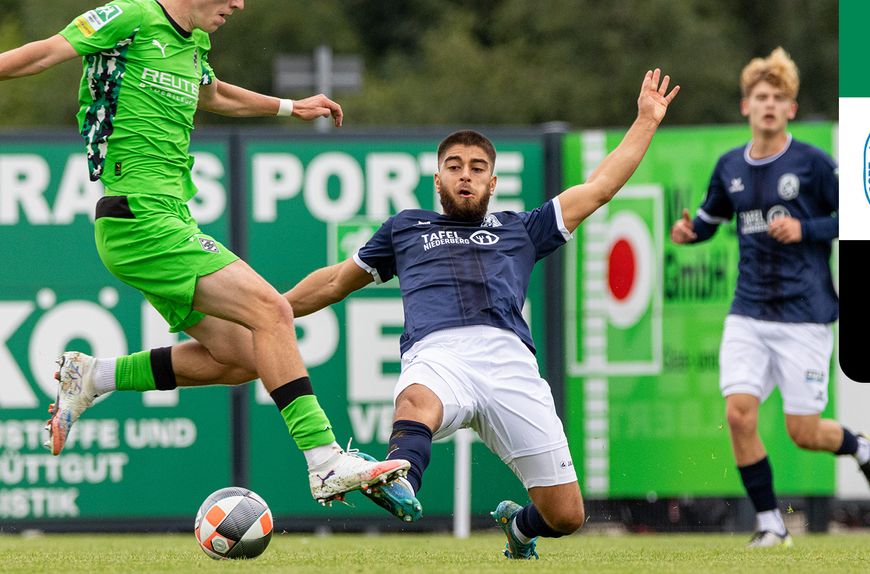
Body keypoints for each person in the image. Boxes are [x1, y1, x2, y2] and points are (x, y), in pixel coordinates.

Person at [0, 0, 408, 505]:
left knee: (243, 357)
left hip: (165, 220)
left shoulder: (193, 43)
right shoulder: (132, 17)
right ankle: (324, 462)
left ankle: (93, 377)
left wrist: (292, 108)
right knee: (272, 310)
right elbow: (43, 53)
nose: (239, 3)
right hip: (138, 217)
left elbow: (213, 94)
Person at [284, 69, 680, 557]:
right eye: (454, 165)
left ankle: (519, 528)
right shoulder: (405, 228)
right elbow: (333, 281)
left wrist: (645, 119)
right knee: (414, 403)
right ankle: (399, 478)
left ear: (492, 181)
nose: (464, 174)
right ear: (438, 178)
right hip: (438, 352)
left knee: (566, 515)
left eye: (475, 167)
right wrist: (273, 312)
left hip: (509, 362)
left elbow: (598, 188)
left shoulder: (521, 229)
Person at [670, 47, 869, 548]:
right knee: (739, 412)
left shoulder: (812, 163)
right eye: (761, 96)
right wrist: (688, 234)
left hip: (805, 315)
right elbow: (709, 222)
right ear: (746, 107)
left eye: (779, 98)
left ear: (791, 110)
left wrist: (806, 229)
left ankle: (859, 445)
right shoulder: (729, 165)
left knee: (804, 431)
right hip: (748, 312)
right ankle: (770, 523)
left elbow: (856, 217)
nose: (769, 105)